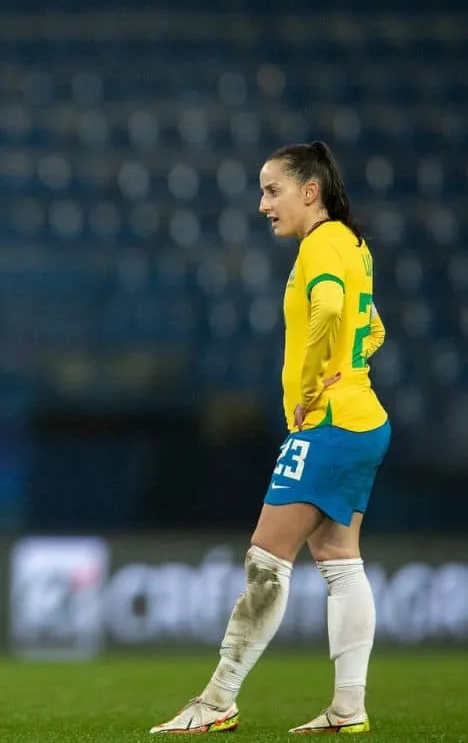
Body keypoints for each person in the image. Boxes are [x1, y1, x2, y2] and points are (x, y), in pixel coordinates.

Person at [151, 141, 389, 735]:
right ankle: (348, 708)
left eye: (272, 190)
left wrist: (312, 384)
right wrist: (348, 366)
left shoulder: (322, 243)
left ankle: (217, 700)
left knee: (265, 559)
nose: (263, 204)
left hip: (328, 423)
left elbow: (332, 309)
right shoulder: (353, 244)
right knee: (339, 560)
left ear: (311, 191)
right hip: (362, 420)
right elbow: (373, 327)